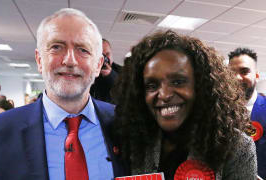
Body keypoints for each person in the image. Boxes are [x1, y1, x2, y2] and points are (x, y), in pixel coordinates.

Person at [0, 8, 124, 180]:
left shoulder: (125, 124)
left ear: (98, 65)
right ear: (39, 60)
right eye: (57, 47)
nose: (70, 60)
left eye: (83, 50)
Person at [112, 30, 257, 179]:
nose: (164, 94)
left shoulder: (237, 147)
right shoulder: (134, 139)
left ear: (201, 86)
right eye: (152, 85)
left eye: (178, 82)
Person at [228, 47, 266, 179]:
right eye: (232, 72)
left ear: (256, 75)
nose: (237, 78)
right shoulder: (217, 112)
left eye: (244, 71)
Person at [90, 39, 122, 103]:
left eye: (107, 54)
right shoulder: (88, 72)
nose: (105, 58)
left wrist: (110, 75)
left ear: (112, 53)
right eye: (101, 55)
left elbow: (127, 90)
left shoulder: (122, 71)